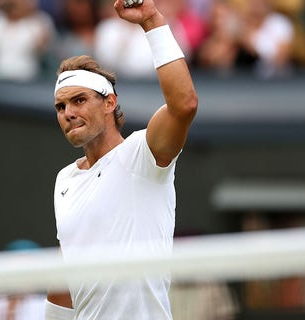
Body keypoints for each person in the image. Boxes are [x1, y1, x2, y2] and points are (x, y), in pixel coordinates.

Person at [46, 0, 198, 319]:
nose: (68, 113)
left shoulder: (141, 154)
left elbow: (183, 105)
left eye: (79, 100)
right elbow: (64, 280)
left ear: (109, 103)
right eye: (61, 107)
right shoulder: (65, 180)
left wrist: (152, 20)